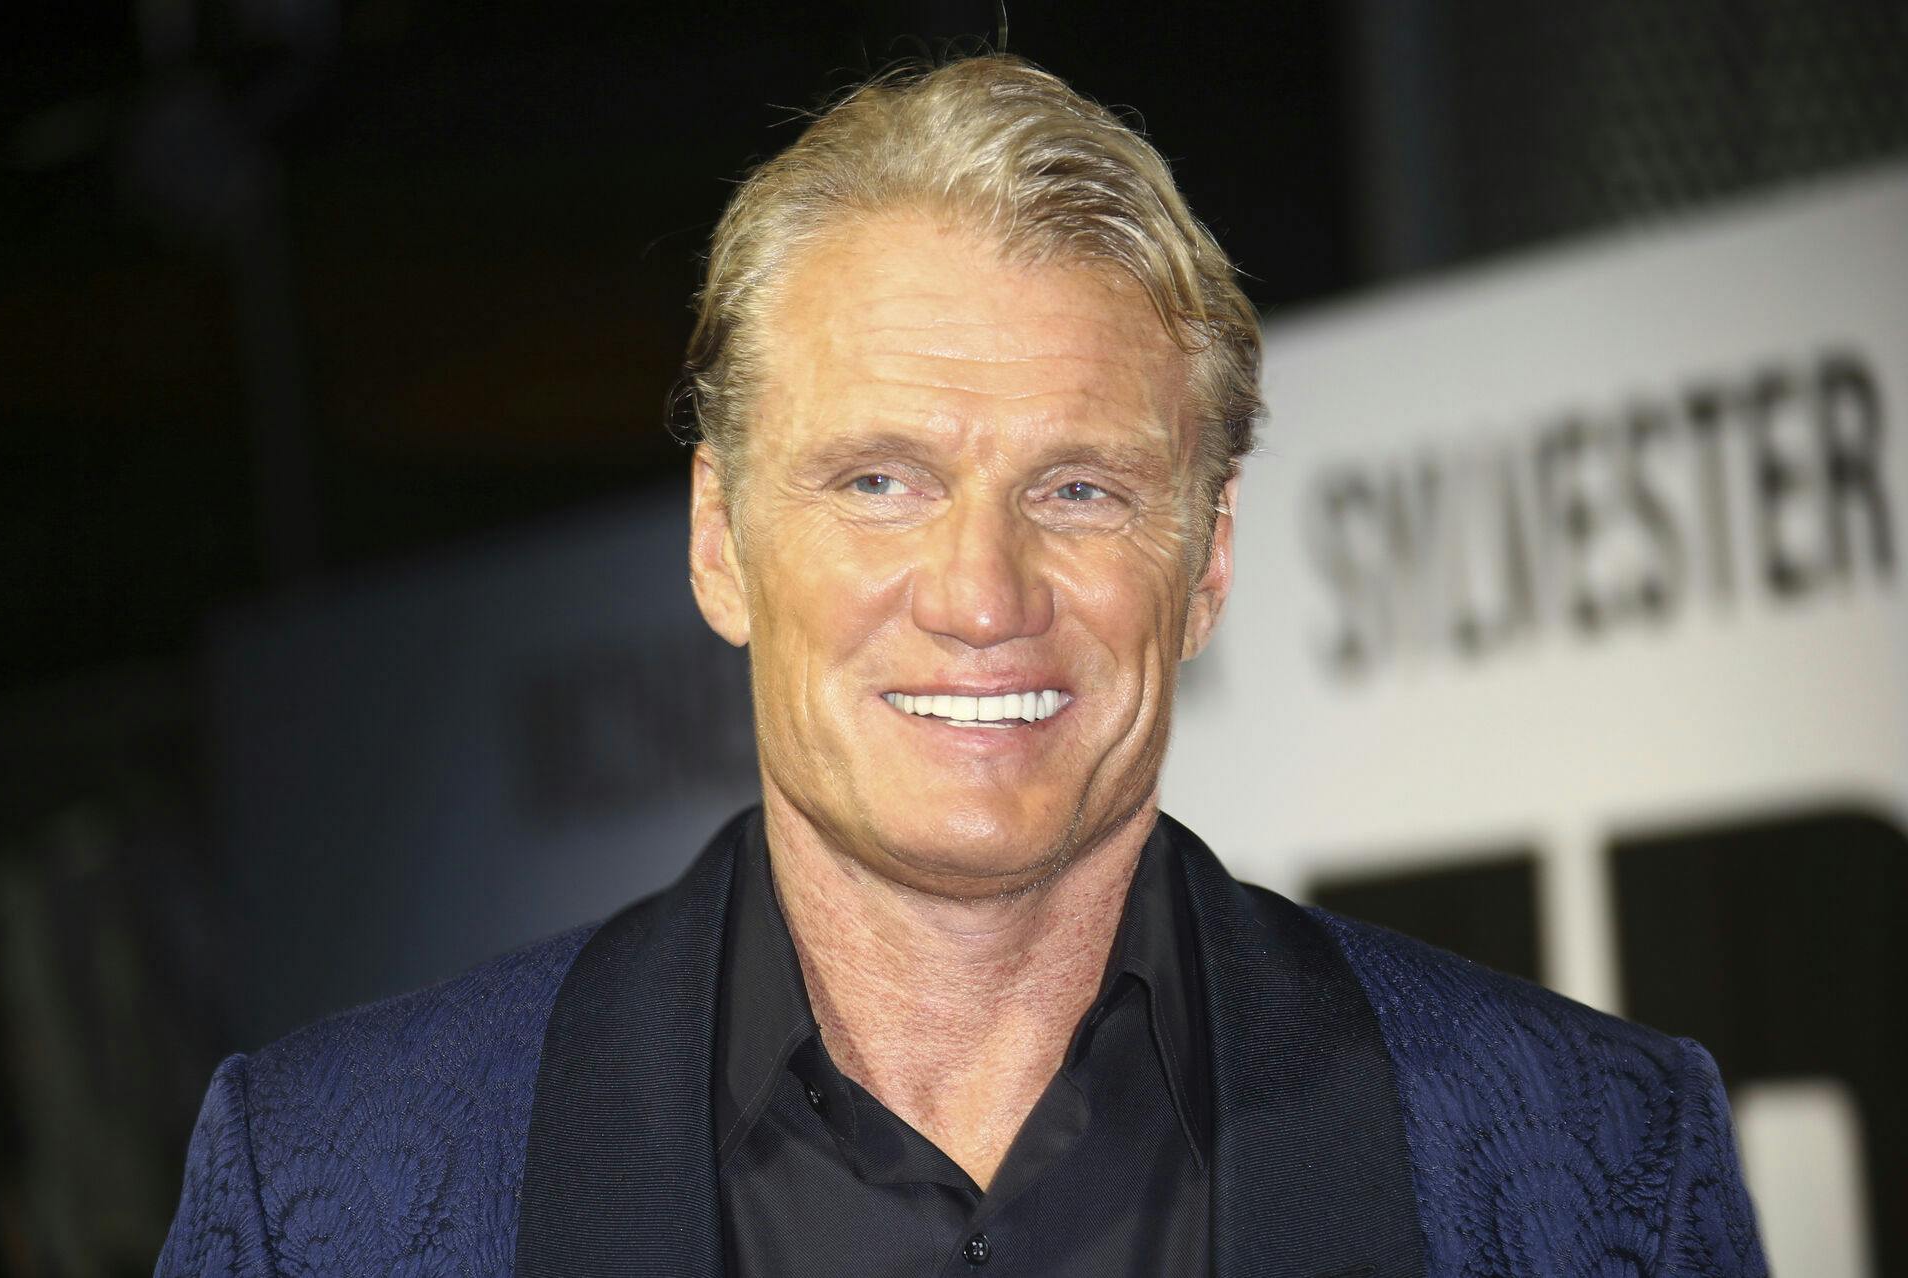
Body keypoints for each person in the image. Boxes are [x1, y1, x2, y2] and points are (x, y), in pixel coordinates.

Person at [157, 56, 1765, 1277]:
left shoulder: (1593, 1159)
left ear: (1204, 562)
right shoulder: (328, 1195)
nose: (981, 591)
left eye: (1081, 489)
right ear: (720, 539)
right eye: (881, 480)